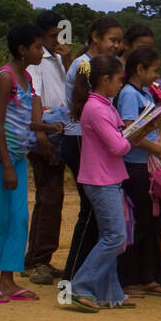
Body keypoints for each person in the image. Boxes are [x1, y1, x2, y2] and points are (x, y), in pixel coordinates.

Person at [0, 24, 61, 302]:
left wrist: (45, 126)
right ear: (22, 50)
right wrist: (6, 165)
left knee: (19, 218)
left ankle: (7, 279)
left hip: (16, 157)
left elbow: (19, 119)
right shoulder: (6, 78)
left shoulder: (25, 79)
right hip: (1, 157)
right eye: (37, 47)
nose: (41, 51)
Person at [66, 55, 145, 311]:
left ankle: (110, 293)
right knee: (114, 237)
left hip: (106, 178)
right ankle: (80, 287)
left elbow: (118, 139)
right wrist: (138, 133)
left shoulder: (101, 105)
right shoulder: (97, 108)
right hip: (101, 180)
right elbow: (119, 145)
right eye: (118, 80)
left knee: (111, 237)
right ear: (104, 79)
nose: (121, 85)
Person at [60, 17, 124, 281]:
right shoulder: (84, 66)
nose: (117, 46)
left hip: (85, 137)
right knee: (90, 211)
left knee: (97, 215)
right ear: (95, 37)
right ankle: (74, 275)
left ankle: (92, 278)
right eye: (112, 40)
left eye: (120, 41)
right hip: (79, 139)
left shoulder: (93, 65)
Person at [116, 46, 161, 297]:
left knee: (153, 221)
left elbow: (153, 129)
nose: (156, 75)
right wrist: (156, 150)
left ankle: (147, 275)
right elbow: (131, 132)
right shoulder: (129, 95)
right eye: (154, 70)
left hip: (148, 165)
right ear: (139, 69)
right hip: (135, 165)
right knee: (138, 222)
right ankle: (130, 277)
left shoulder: (144, 95)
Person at [24, 10, 69, 284]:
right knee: (49, 197)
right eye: (52, 36)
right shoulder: (36, 63)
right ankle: (38, 260)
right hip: (45, 137)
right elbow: (36, 98)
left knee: (51, 198)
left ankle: (38, 258)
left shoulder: (58, 60)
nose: (56, 41)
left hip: (56, 133)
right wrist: (42, 138)